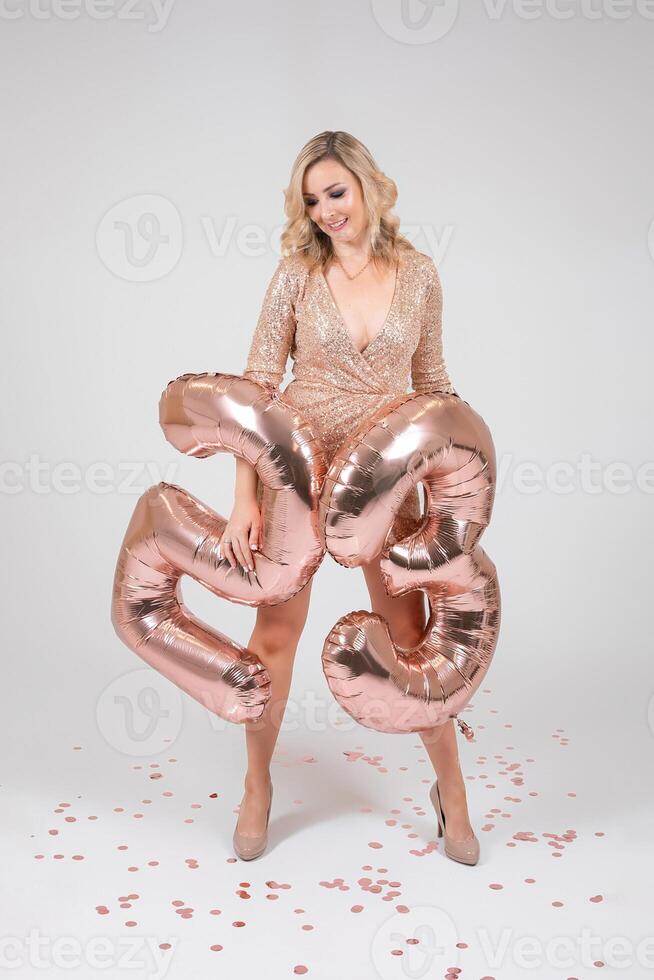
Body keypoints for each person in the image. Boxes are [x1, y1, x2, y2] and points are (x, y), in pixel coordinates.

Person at [220, 130, 479, 865]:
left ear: (367, 185)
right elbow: (253, 392)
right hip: (297, 475)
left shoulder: (420, 275)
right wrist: (244, 496)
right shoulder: (297, 274)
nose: (326, 210)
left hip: (384, 485)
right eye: (312, 198)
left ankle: (452, 794)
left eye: (335, 191)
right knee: (275, 639)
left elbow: (434, 389)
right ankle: (257, 785)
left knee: (412, 645)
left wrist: (457, 496)